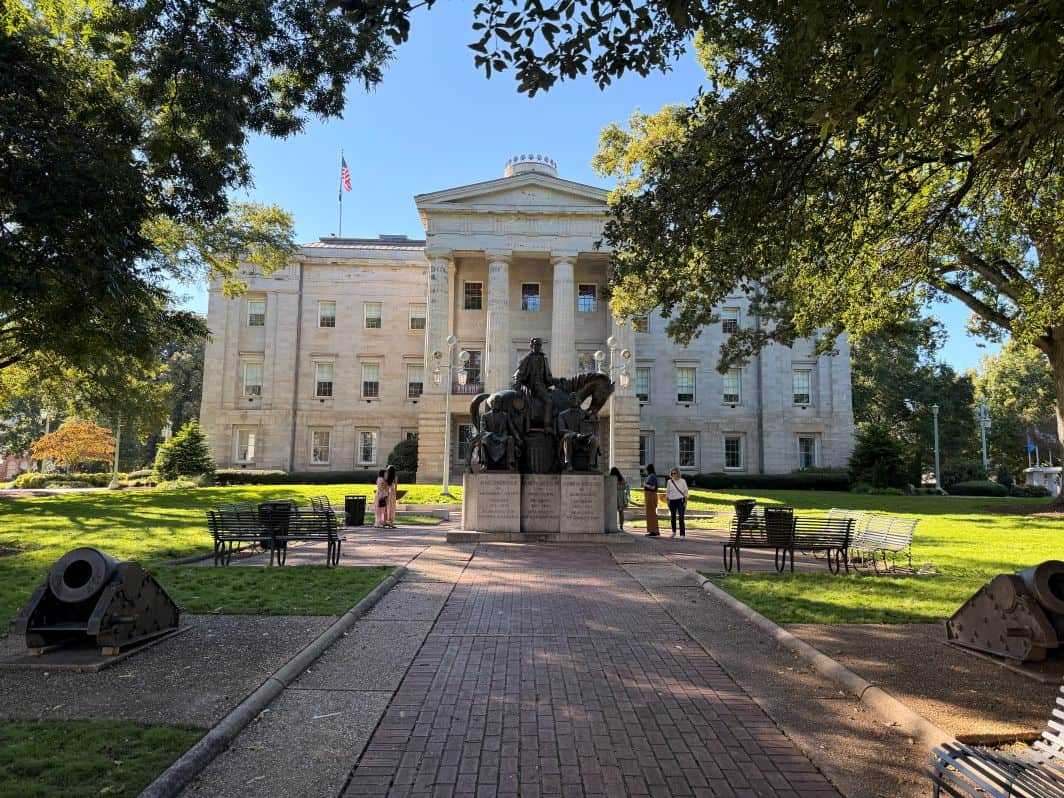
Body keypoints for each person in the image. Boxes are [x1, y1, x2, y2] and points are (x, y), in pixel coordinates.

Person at [512, 337, 555, 433]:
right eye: (536, 344)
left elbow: (548, 377)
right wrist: (517, 389)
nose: (538, 346)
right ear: (531, 346)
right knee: (548, 401)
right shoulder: (527, 359)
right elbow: (518, 374)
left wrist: (559, 381)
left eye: (540, 345)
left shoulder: (544, 359)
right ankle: (547, 425)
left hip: (542, 385)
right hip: (532, 386)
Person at [666, 467, 689, 537]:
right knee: (673, 517)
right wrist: (667, 500)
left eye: (674, 473)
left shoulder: (683, 481)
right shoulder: (669, 481)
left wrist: (685, 501)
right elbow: (668, 491)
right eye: (672, 473)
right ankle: (674, 532)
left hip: (680, 501)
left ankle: (682, 534)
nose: (673, 475)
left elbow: (686, 492)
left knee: (681, 517)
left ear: (678, 473)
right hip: (672, 501)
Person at [642, 464, 660, 536]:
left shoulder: (652, 476)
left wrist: (644, 485)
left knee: (651, 513)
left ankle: (653, 531)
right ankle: (654, 530)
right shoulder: (651, 476)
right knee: (651, 513)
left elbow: (653, 487)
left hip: (651, 495)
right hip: (649, 495)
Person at [609, 467, 628, 531]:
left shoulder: (612, 479)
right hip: (621, 496)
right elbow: (625, 484)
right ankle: (621, 525)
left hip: (614, 495)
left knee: (613, 512)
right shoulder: (621, 478)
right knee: (621, 512)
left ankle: (613, 525)